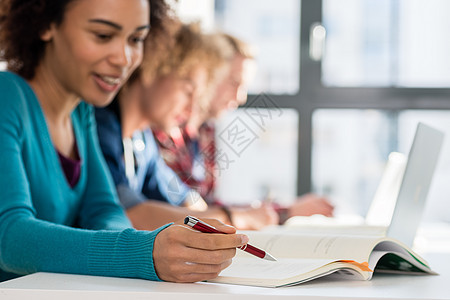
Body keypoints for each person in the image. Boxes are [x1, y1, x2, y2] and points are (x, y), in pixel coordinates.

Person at [0, 0, 247, 283]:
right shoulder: (6, 97)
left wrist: (150, 246)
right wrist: (144, 251)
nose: (124, 58)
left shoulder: (81, 114)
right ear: (46, 24)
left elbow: (104, 210)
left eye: (136, 39)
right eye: (103, 36)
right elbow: (9, 237)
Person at [95, 22, 279, 231]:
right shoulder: (101, 127)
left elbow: (182, 198)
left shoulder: (141, 141)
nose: (192, 110)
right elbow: (131, 214)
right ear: (155, 68)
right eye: (188, 91)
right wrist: (232, 217)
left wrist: (216, 216)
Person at [154, 33, 334, 225]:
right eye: (234, 82)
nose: (240, 97)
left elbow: (206, 206)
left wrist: (284, 211)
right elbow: (185, 212)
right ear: (208, 75)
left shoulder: (206, 131)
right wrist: (282, 213)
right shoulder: (164, 127)